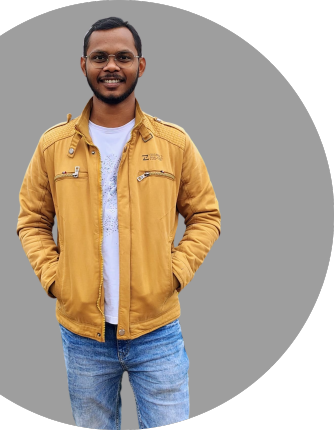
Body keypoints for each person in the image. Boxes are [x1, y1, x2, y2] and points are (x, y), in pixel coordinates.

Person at [16, 16, 221, 429]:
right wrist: (56, 279)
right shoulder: (53, 146)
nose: (111, 66)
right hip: (83, 336)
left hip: (157, 330)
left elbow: (205, 215)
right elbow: (33, 220)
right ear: (83, 65)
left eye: (123, 57)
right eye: (100, 57)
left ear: (140, 65)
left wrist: (174, 273)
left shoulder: (174, 143)